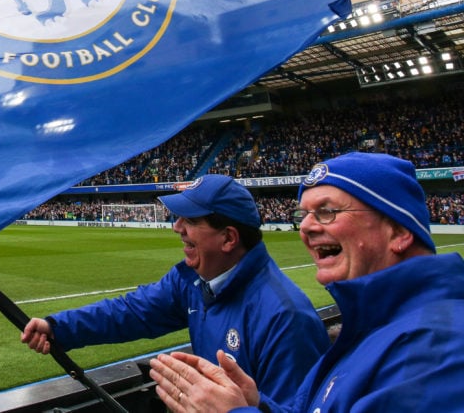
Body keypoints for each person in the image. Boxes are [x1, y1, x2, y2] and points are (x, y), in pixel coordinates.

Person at [149, 152, 464, 412]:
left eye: (326, 211)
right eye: (304, 215)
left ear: (398, 231)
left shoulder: (438, 346)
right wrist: (257, 404)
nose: (307, 227)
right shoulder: (374, 329)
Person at [20, 174, 329, 405]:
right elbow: (131, 311)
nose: (176, 227)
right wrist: (58, 327)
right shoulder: (193, 280)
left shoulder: (286, 319)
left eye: (190, 220)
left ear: (228, 239)